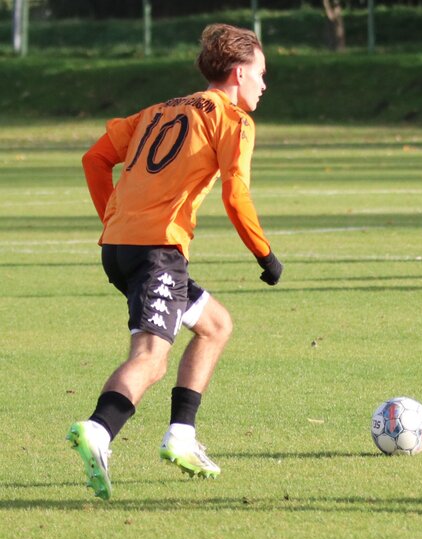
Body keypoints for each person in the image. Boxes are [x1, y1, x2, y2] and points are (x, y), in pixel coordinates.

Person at [68, 23, 283, 500]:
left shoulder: (158, 110)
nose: (264, 84)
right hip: (157, 251)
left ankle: (181, 436)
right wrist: (264, 254)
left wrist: (114, 218)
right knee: (151, 357)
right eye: (261, 73)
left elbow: (94, 158)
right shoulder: (232, 120)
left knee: (215, 326)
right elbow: (235, 195)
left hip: (120, 247)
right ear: (238, 73)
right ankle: (99, 429)